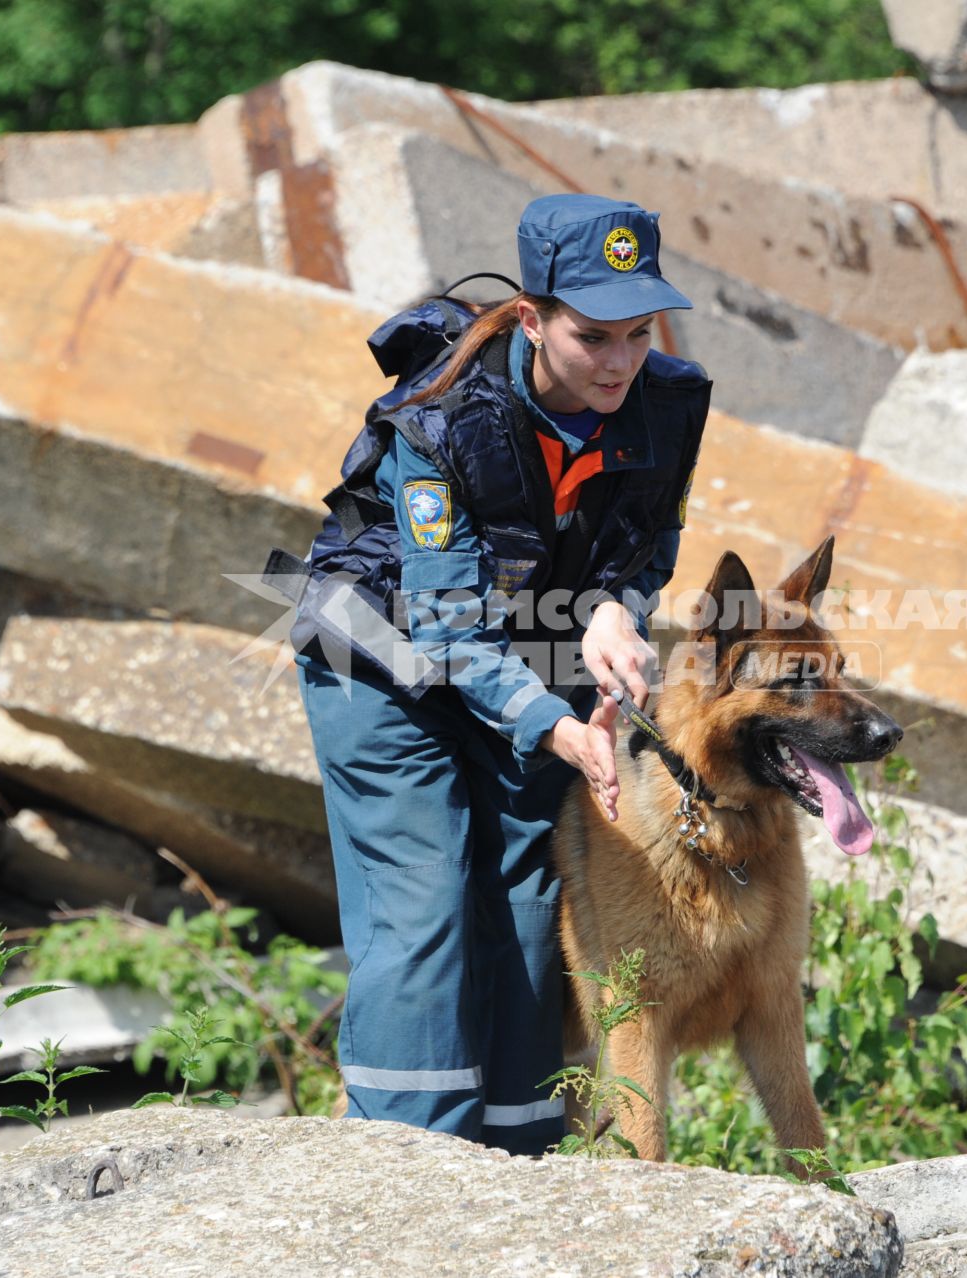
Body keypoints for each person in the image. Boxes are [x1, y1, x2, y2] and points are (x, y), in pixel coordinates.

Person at [287, 194, 710, 1155]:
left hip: (523, 653)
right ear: (531, 318)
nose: (619, 362)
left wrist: (614, 607)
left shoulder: (668, 403)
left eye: (638, 334)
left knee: (527, 899)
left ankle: (519, 1169)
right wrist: (557, 727)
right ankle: (404, 1173)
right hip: (383, 660)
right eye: (592, 336)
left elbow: (649, 546)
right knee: (427, 906)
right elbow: (443, 630)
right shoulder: (440, 420)